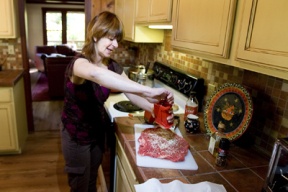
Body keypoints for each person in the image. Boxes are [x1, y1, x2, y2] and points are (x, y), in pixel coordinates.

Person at [60, 11, 174, 192]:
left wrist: (157, 110)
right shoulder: (79, 63)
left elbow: (131, 91)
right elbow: (96, 74)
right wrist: (149, 90)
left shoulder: (112, 65)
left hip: (97, 133)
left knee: (90, 183)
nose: (115, 44)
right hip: (76, 136)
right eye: (111, 38)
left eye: (117, 39)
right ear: (96, 35)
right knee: (80, 186)